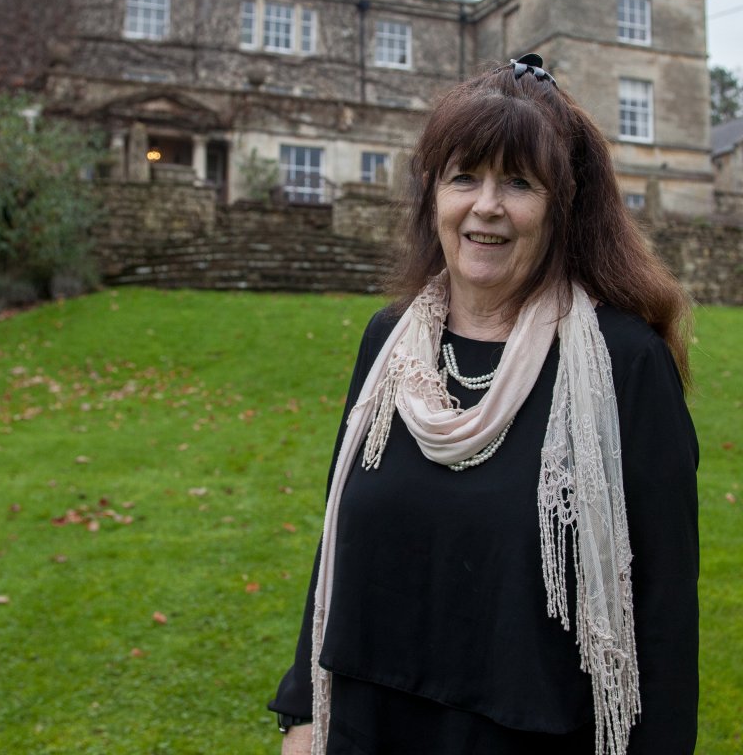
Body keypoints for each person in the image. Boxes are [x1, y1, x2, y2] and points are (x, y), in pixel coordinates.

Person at [269, 55, 699, 755]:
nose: (486, 206)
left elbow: (663, 612)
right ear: (433, 195)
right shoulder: (391, 342)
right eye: (464, 176)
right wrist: (304, 714)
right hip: (366, 726)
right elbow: (338, 541)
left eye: (519, 183)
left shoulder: (624, 364)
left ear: (562, 208)